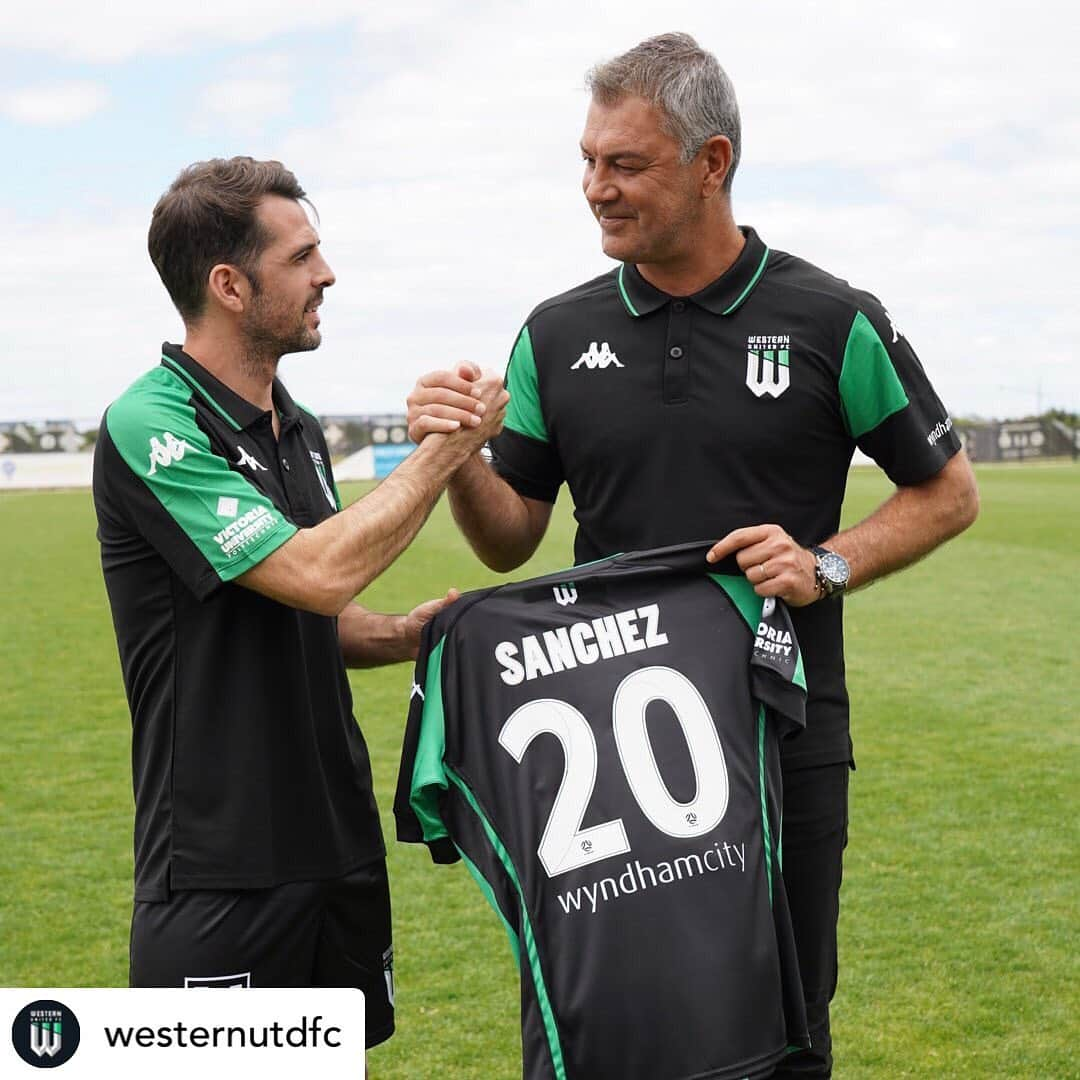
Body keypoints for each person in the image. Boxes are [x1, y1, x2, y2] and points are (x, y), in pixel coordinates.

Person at [406, 33, 978, 1077]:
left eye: (624, 164)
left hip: (783, 735)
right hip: (604, 752)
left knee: (786, 1022)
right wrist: (455, 459)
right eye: (587, 161)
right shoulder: (553, 332)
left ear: (710, 162)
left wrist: (825, 565)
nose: (595, 189)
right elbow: (510, 539)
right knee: (618, 1019)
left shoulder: (832, 319)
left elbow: (947, 491)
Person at [92, 157, 506, 1048]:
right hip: (219, 868)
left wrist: (406, 634)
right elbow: (314, 574)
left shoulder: (301, 427)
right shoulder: (153, 424)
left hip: (337, 845)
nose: (327, 274)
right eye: (303, 256)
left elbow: (305, 611)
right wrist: (444, 451)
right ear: (230, 285)